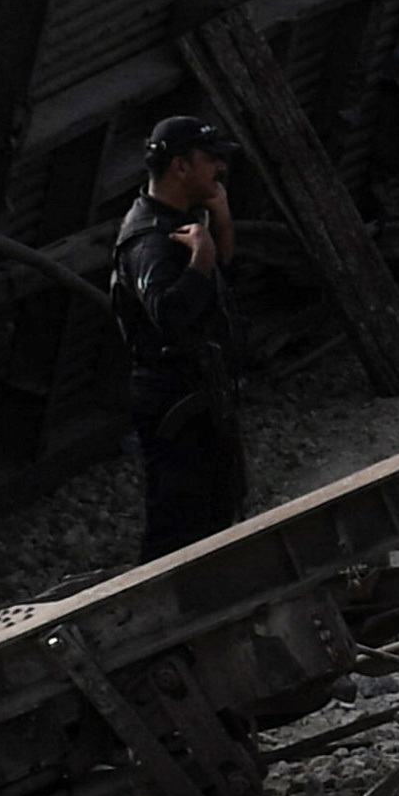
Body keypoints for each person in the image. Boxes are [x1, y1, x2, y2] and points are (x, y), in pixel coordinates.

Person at [114, 117, 251, 556]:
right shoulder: (149, 239)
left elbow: (219, 277)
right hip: (173, 398)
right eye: (210, 160)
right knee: (178, 526)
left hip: (201, 391)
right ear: (180, 166)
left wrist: (220, 222)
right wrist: (201, 257)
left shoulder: (180, 219)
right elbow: (168, 315)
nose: (220, 169)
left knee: (217, 512)